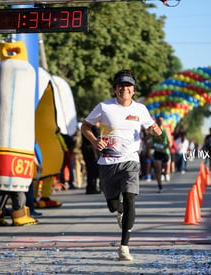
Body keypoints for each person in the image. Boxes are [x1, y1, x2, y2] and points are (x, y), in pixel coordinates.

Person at [81, 69, 161, 261]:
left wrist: (155, 129)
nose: (124, 89)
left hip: (130, 161)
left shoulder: (140, 109)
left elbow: (151, 126)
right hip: (108, 162)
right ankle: (119, 210)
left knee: (130, 198)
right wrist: (94, 141)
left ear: (133, 90)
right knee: (112, 204)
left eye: (128, 86)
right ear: (115, 89)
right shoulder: (104, 107)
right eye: (120, 86)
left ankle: (124, 246)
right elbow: (85, 126)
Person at [148, 116, 173, 192]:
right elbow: (151, 142)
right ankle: (160, 186)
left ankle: (165, 173)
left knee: (166, 171)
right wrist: (151, 149)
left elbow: (170, 143)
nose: (160, 122)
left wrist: (164, 148)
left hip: (165, 152)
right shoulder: (153, 132)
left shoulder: (166, 131)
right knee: (157, 170)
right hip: (157, 153)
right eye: (159, 120)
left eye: (161, 120)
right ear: (156, 121)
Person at [81, 123, 101, 194]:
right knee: (93, 170)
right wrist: (96, 154)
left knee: (89, 170)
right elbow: (94, 142)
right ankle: (92, 187)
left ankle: (90, 187)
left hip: (85, 149)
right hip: (91, 151)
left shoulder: (85, 128)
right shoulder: (94, 128)